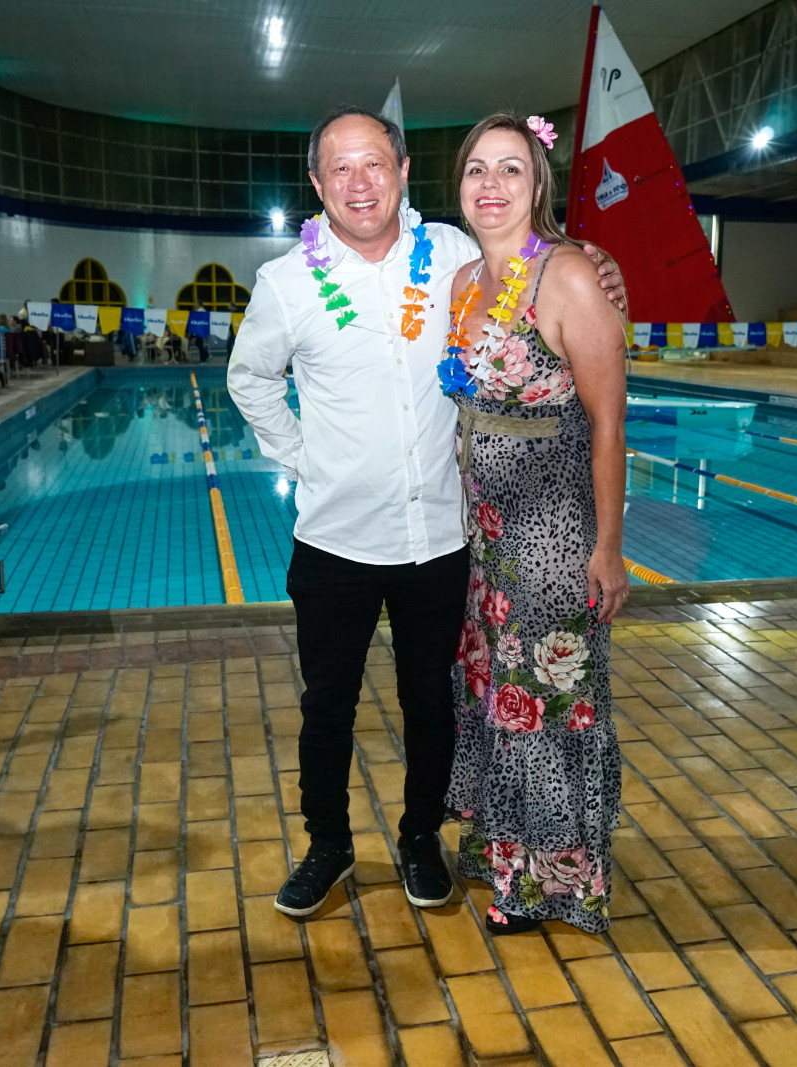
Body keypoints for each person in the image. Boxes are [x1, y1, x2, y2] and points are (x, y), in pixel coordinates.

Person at [227, 104, 624, 920]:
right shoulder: (286, 282)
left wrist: (599, 262)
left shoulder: (448, 252)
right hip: (335, 537)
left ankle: (420, 838)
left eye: (375, 162)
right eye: (340, 167)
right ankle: (328, 844)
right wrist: (305, 459)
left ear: (404, 172)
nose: (359, 182)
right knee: (326, 704)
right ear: (317, 184)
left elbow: (538, 263)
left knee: (434, 702)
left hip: (442, 537)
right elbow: (250, 379)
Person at [440, 113, 628, 935]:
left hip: (554, 534)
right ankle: (505, 851)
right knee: (498, 692)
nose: (492, 185)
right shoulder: (463, 282)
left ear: (538, 183)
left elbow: (610, 423)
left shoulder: (571, 275)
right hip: (487, 536)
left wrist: (608, 547)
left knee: (544, 700)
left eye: (511, 168)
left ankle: (552, 884)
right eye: (477, 169)